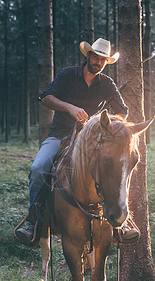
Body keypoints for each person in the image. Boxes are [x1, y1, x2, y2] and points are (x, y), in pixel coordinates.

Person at [15, 38, 140, 246]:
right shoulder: (67, 74)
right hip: (60, 135)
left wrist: (103, 125)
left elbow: (123, 111)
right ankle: (33, 222)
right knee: (38, 168)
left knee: (117, 166)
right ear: (88, 56)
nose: (98, 62)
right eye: (96, 57)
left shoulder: (107, 84)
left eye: (103, 60)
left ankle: (123, 222)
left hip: (93, 141)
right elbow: (46, 97)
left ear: (106, 63)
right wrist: (69, 107)